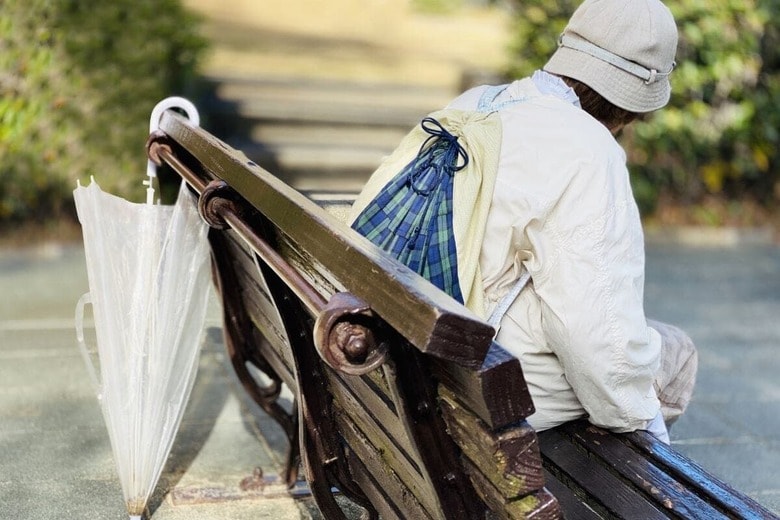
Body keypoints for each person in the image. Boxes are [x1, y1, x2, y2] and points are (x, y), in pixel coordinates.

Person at [351, 0, 697, 443]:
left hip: (396, 350)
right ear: (634, 103)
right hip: (479, 385)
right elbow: (600, 340)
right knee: (673, 353)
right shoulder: (588, 149)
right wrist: (638, 417)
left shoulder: (477, 102)